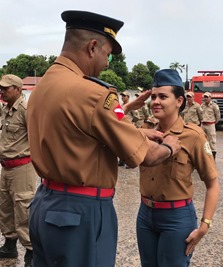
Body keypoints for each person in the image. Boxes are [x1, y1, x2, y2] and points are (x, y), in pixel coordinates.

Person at [27, 10, 181, 267]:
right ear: (92, 46)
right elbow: (144, 156)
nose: (107, 62)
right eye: (107, 54)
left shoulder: (43, 86)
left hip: (45, 204)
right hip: (81, 213)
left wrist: (139, 132)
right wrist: (169, 146)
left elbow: (75, 132)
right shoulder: (95, 94)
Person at [136, 69, 220, 267]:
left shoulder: (194, 136)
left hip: (176, 219)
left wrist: (205, 225)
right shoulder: (144, 133)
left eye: (163, 96)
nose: (156, 101)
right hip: (145, 216)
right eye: (154, 96)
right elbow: (114, 125)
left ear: (179, 101)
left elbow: (213, 184)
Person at [0, 74, 37, 267]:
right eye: (2, 88)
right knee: (5, 208)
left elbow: (36, 138)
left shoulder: (25, 109)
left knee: (23, 210)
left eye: (6, 88)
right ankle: (10, 244)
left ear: (18, 89)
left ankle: (31, 252)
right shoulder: (6, 109)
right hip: (6, 167)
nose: (2, 91)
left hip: (22, 167)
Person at [201, 92, 220, 159]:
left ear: (210, 98)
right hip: (203, 125)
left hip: (210, 125)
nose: (205, 98)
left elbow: (217, 116)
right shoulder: (202, 105)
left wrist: (213, 123)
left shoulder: (214, 106)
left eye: (206, 97)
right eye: (204, 97)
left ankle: (213, 158)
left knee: (212, 141)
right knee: (202, 140)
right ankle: (204, 157)